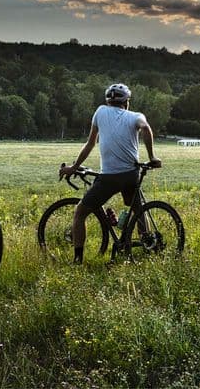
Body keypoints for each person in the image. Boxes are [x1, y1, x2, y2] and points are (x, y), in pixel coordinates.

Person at [59, 83, 161, 264]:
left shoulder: (100, 112)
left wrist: (74, 167)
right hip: (131, 174)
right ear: (126, 102)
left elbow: (90, 144)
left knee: (80, 212)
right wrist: (152, 157)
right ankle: (147, 245)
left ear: (108, 101)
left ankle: (77, 260)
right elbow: (146, 128)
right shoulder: (136, 116)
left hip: (110, 177)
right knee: (138, 210)